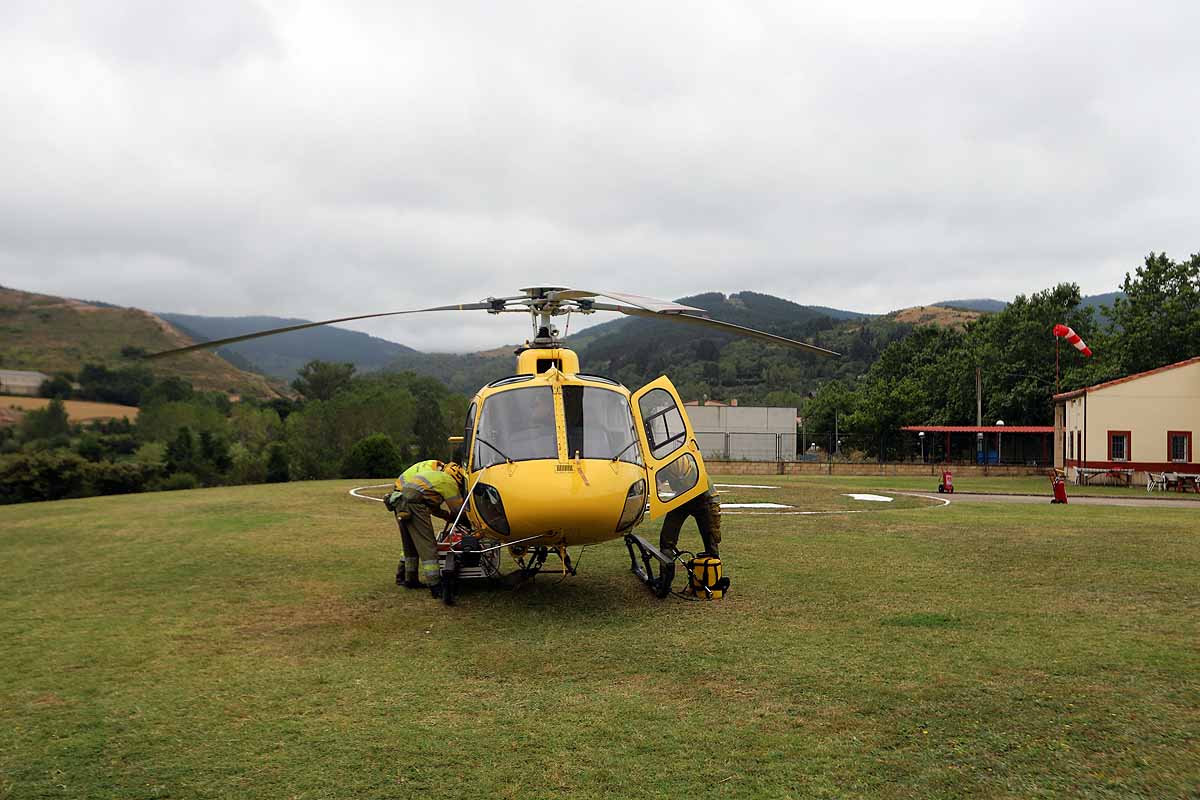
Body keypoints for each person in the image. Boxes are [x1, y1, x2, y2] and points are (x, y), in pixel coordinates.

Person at [384, 460, 467, 597]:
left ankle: (409, 579)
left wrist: (447, 517)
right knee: (428, 545)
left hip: (400, 503)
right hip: (415, 506)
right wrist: (467, 521)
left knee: (410, 545)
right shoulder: (448, 482)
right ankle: (435, 586)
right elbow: (457, 509)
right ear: (458, 477)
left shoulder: (435, 477)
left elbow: (434, 508)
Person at [656, 455, 721, 595]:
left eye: (682, 478)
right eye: (677, 478)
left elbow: (714, 497)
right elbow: (657, 480)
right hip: (681, 499)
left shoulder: (699, 473)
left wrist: (714, 523)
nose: (680, 480)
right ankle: (664, 580)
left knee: (711, 540)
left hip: (703, 501)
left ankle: (714, 579)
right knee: (666, 540)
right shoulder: (668, 468)